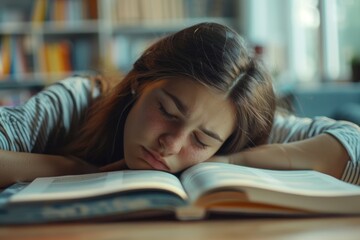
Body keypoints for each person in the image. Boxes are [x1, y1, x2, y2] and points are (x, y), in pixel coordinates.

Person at [0, 22, 359, 188]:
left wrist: (231, 161)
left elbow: (354, 145)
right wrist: (76, 170)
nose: (171, 144)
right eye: (167, 112)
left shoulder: (242, 127)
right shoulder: (79, 100)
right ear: (141, 82)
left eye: (202, 141)